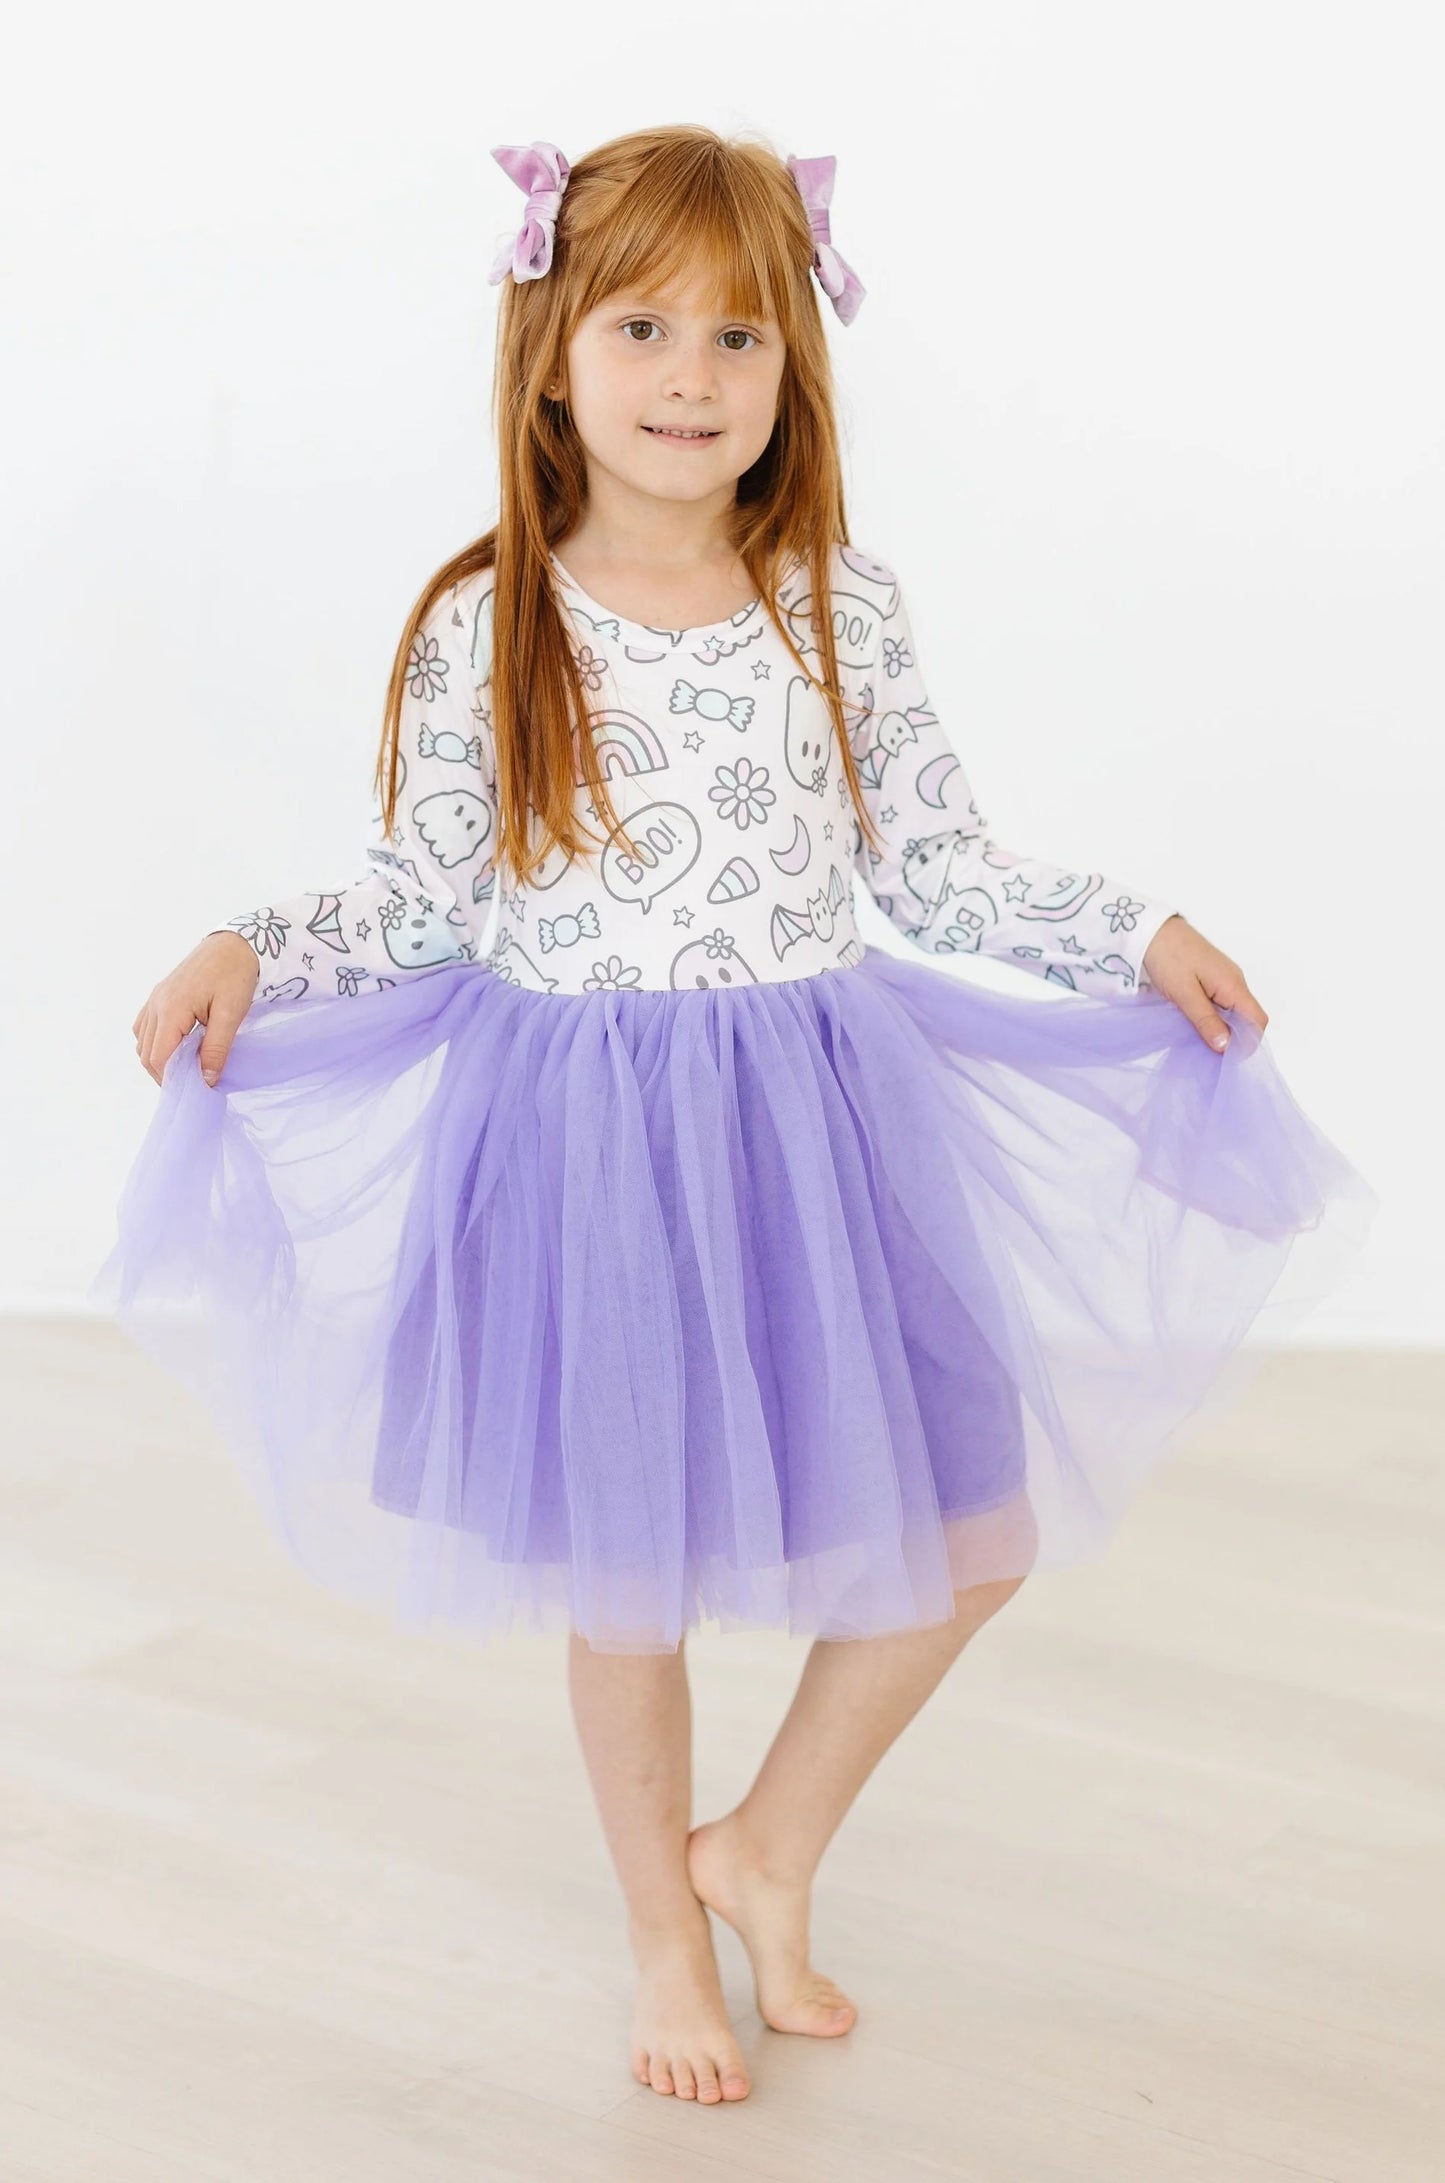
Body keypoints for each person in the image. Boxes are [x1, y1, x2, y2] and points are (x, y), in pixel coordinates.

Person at [92, 127, 1376, 2108]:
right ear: (551, 354)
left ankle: (763, 1847)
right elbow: (422, 895)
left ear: (795, 364)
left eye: (739, 336)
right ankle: (660, 1935)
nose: (691, 376)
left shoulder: (835, 606)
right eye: (641, 327)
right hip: (593, 1154)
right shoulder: (490, 624)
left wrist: (1133, 931)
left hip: (812, 1128)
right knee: (632, 1581)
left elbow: (936, 864)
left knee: (973, 1526)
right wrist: (249, 946)